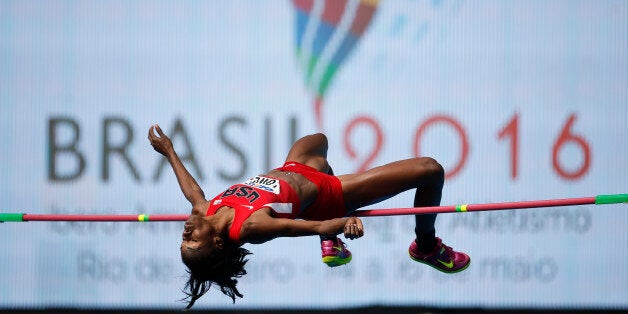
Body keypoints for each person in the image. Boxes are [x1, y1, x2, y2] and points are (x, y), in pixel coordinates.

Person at [148, 124, 470, 309]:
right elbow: (309, 225)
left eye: (183, 237)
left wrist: (170, 152)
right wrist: (341, 224)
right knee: (430, 170)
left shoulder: (206, 211)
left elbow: (192, 192)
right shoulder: (251, 226)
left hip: (296, 167)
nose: (186, 230)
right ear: (217, 243)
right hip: (330, 195)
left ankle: (331, 245)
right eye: (191, 239)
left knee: (320, 139)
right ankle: (426, 245)